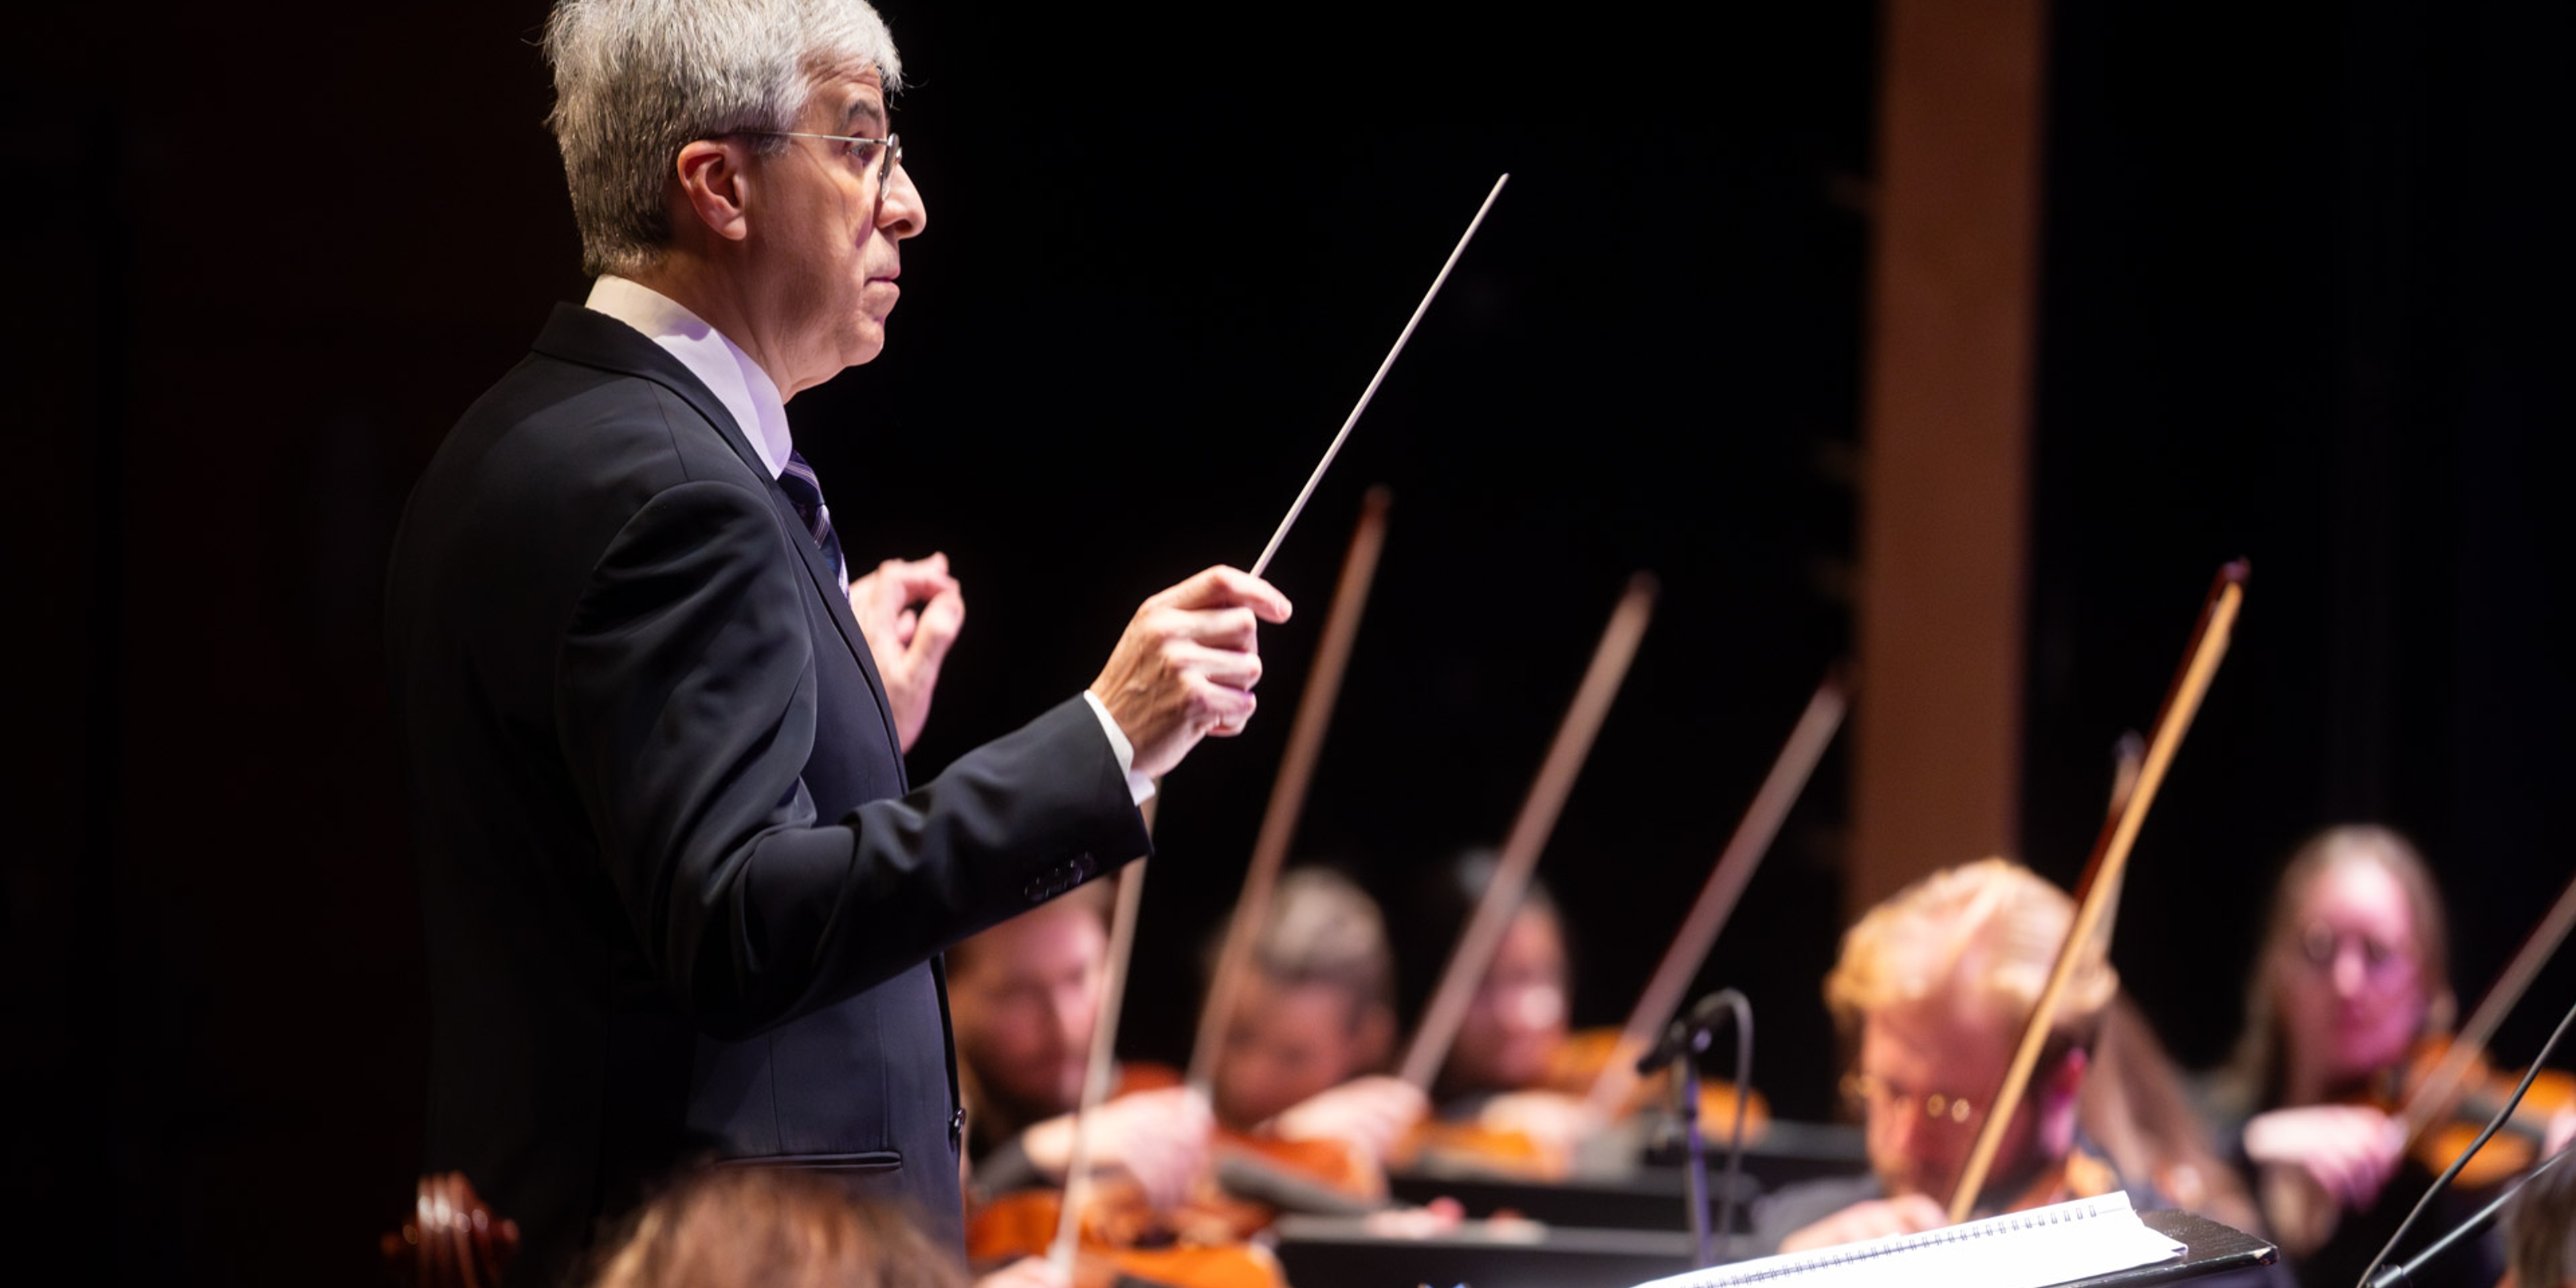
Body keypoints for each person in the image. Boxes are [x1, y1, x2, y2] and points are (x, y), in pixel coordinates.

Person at [383, 1, 1294, 1278]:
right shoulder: (672, 491)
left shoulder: (529, 436)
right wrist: (1105, 739)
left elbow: (613, 870)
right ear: (719, 186)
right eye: (861, 146)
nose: (909, 203)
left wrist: (837, 713)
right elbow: (739, 923)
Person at [1752, 858, 2136, 1253]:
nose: (1905, 1143)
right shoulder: (1797, 1231)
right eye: (1889, 1091)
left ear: (2062, 1084)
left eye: (1950, 1106)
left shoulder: (2142, 1253)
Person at [2208, 825, 2503, 1287]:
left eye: (2379, 952)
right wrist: (2249, 1149)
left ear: (2428, 987)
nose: (2346, 982)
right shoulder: (2210, 1134)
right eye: (2319, 947)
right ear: (2276, 970)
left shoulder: (2451, 1208)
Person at [947, 888, 1213, 1215]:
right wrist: (1035, 1156)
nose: (1065, 1025)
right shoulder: (938, 1128)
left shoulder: (1148, 1092)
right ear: (947, 995)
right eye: (1017, 993)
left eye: (1079, 976)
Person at [1206, 868, 1426, 1175]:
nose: (1249, 1077)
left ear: (1369, 1042)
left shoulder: (1381, 1157)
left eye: (1293, 1057)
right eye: (1236, 1036)